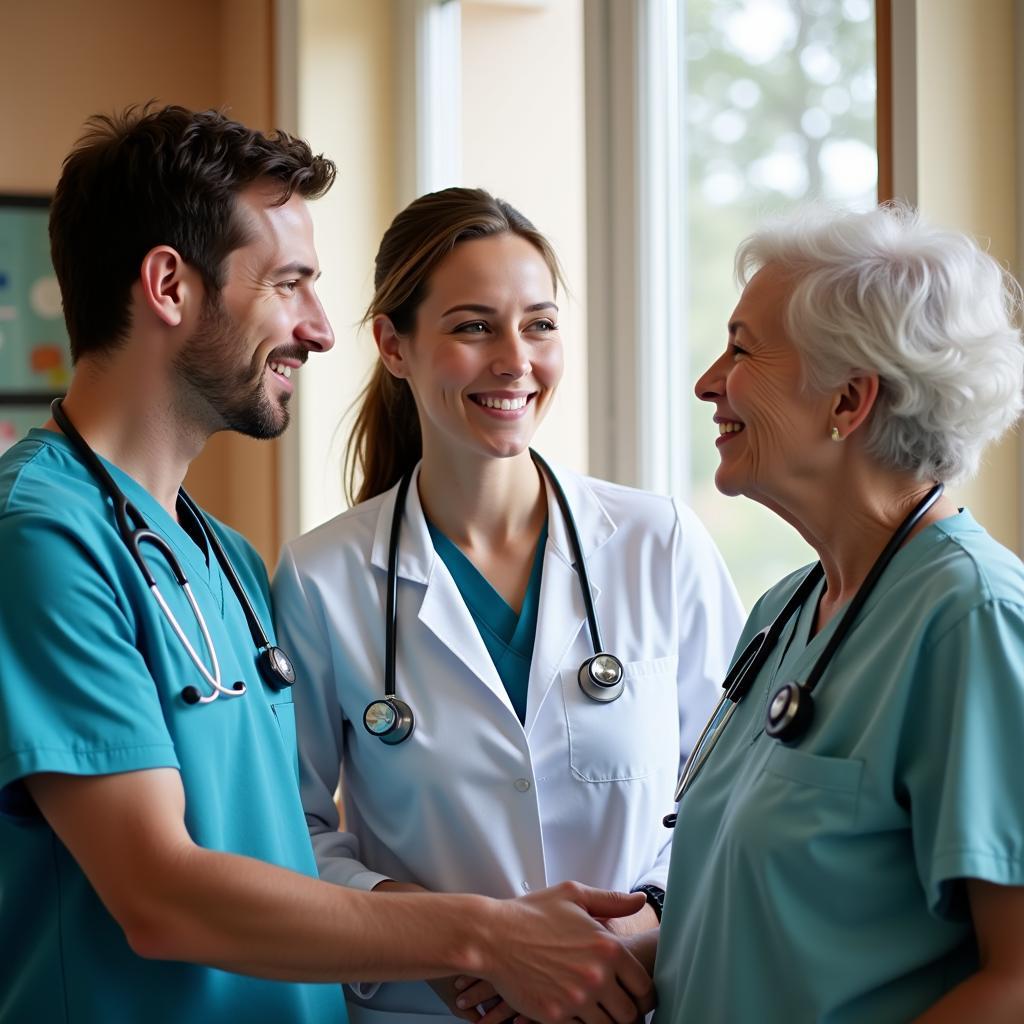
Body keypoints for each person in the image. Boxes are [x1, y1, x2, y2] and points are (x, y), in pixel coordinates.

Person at [0, 108, 659, 1024]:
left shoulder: (222, 557)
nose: (319, 329)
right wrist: (486, 937)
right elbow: (157, 894)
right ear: (168, 285)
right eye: (290, 284)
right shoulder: (41, 537)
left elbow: (282, 845)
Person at [272, 186, 745, 1024]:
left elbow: (736, 794)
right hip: (431, 1008)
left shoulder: (657, 543)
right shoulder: (323, 577)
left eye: (539, 323)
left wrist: (640, 929)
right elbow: (291, 835)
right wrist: (460, 945)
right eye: (471, 325)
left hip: (640, 998)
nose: (514, 359)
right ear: (393, 344)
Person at [647, 203, 1024, 1022]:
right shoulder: (784, 612)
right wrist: (632, 947)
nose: (708, 381)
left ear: (848, 401)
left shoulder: (973, 620)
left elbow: (1017, 979)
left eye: (742, 350)